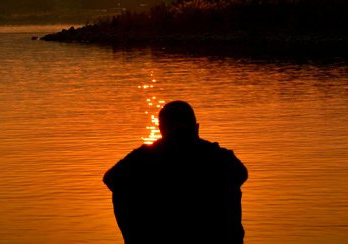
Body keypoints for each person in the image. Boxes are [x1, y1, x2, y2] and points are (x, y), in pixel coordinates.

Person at [103, 101, 248, 244]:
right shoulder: (219, 156)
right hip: (214, 235)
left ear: (161, 130)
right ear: (196, 128)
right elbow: (241, 174)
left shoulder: (144, 156)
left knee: (121, 188)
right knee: (230, 185)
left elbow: (109, 178)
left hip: (159, 232)